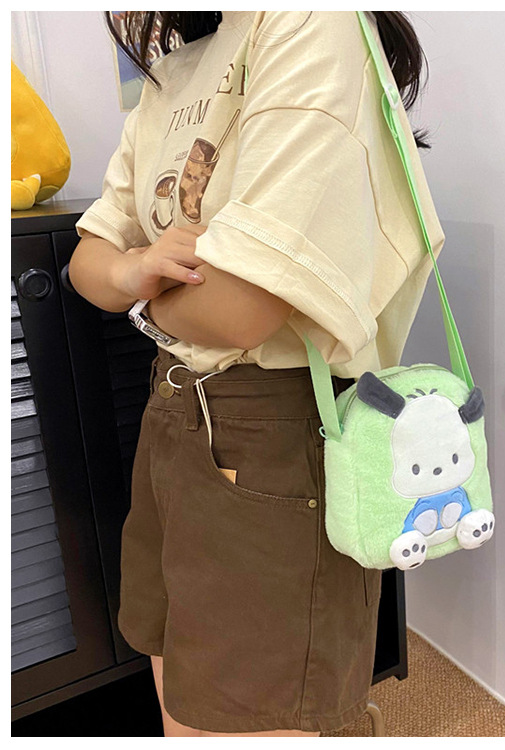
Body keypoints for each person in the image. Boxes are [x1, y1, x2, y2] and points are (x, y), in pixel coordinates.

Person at [69, 10, 445, 738]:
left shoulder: (311, 21)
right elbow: (90, 257)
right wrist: (133, 270)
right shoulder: (176, 68)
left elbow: (241, 310)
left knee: (251, 713)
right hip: (173, 409)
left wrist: (133, 289)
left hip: (272, 423)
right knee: (179, 678)